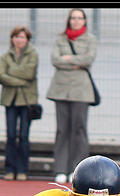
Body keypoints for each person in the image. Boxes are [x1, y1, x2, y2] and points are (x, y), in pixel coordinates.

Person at [48, 8, 98, 184]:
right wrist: (76, 60)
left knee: (79, 129)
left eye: (79, 18)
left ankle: (77, 169)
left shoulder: (91, 39)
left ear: (84, 21)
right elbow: (55, 59)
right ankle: (60, 169)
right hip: (60, 89)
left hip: (81, 91)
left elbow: (88, 59)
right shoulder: (60, 39)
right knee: (62, 130)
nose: (76, 21)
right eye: (73, 18)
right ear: (68, 20)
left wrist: (67, 59)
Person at [0, 25, 38, 181]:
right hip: (10, 100)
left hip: (27, 101)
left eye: (22, 37)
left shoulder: (33, 55)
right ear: (12, 39)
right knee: (11, 135)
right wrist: (18, 79)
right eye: (16, 37)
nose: (19, 40)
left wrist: (10, 72)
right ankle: (9, 169)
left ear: (27, 40)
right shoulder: (5, 56)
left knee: (24, 136)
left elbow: (29, 73)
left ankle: (23, 170)